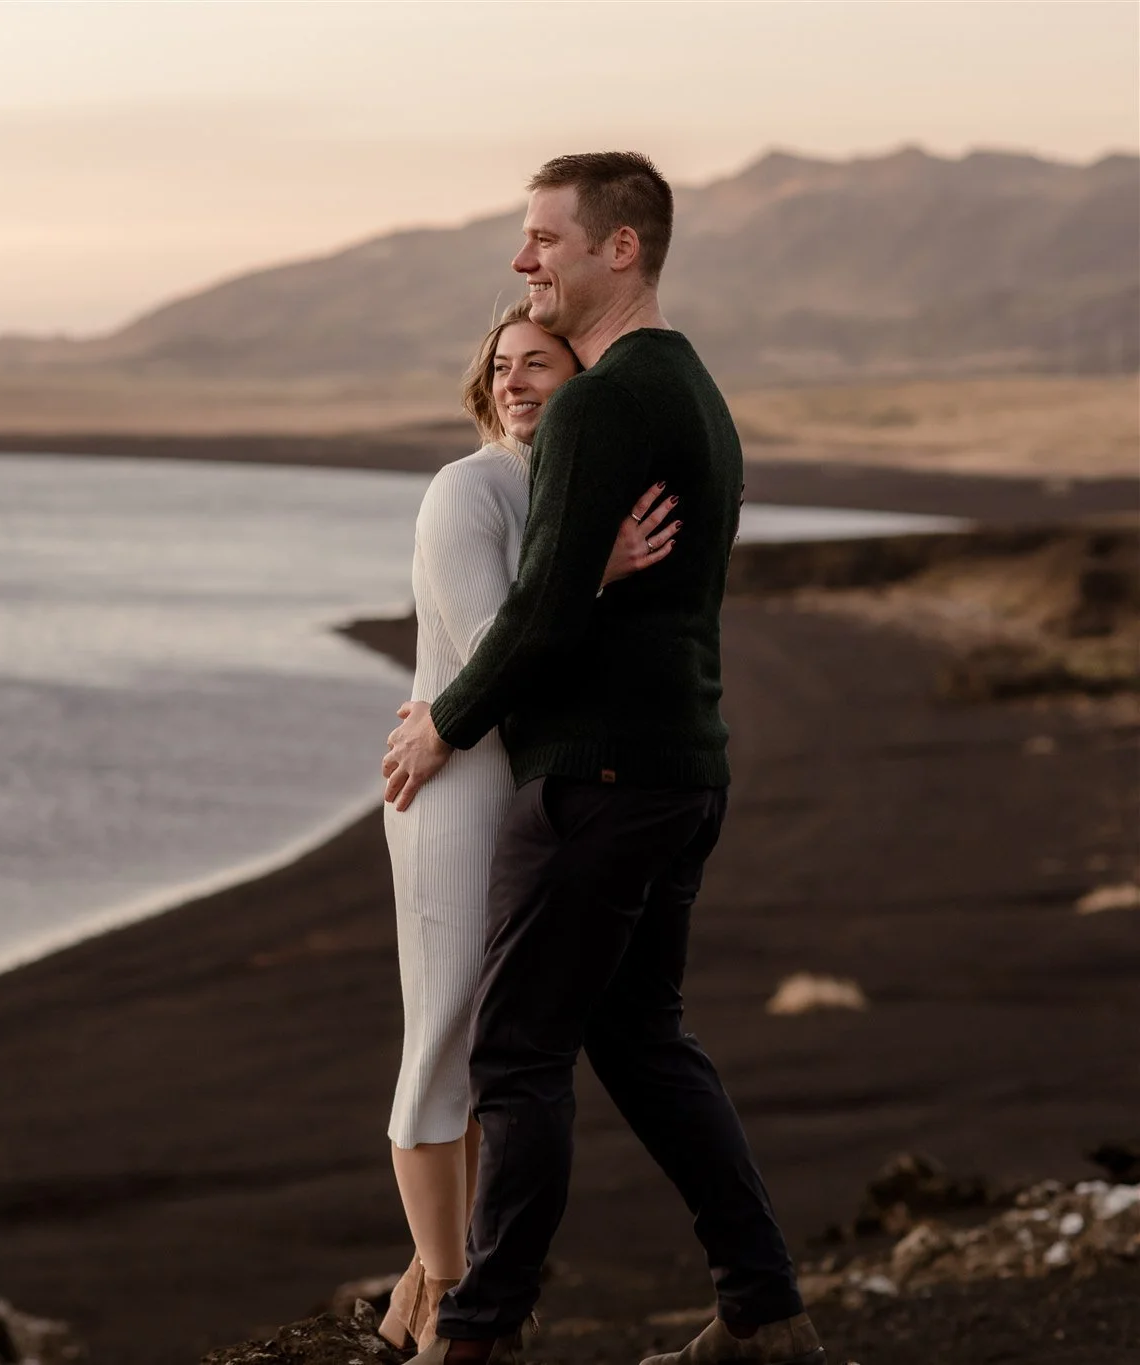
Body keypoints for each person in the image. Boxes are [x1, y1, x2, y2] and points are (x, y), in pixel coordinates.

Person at [382, 152, 823, 1365]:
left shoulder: (601, 401)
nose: (524, 262)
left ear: (617, 249)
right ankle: (762, 1310)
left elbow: (534, 614)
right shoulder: (691, 387)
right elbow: (583, 594)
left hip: (600, 779)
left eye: (543, 239)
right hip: (684, 766)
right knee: (640, 1042)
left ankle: (471, 1337)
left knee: (516, 1055)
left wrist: (441, 721)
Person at [377, 297, 677, 1352]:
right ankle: (448, 1297)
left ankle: (445, 1288)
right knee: (446, 1031)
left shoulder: (561, 493)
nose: (513, 381)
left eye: (538, 363)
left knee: (490, 1037)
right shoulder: (470, 488)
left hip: (524, 785)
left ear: (581, 381)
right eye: (500, 366)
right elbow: (490, 645)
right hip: (452, 784)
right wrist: (592, 576)